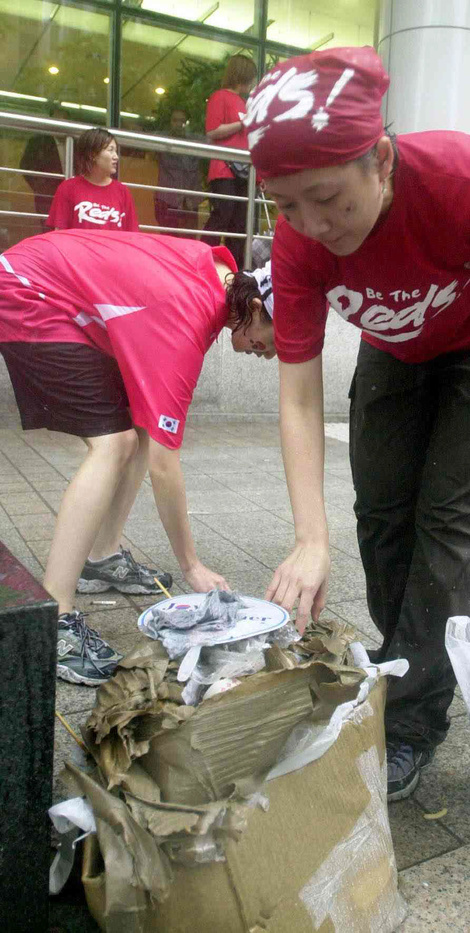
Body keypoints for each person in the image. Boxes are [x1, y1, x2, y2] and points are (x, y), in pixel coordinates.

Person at [240, 47, 470, 801]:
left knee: (449, 530)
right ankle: (410, 658)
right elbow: (299, 394)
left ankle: (409, 721)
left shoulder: (466, 182)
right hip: (396, 348)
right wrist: (310, 539)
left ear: (379, 159)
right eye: (286, 205)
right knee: (381, 519)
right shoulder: (300, 241)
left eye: (328, 198)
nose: (313, 225)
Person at [0, 230, 275, 686]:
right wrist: (191, 565)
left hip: (47, 280)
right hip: (29, 291)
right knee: (114, 444)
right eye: (268, 342)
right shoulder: (190, 315)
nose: (264, 356)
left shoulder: (217, 271)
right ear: (254, 308)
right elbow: (166, 467)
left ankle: (102, 557)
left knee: (140, 432)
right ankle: (54, 619)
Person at [202, 54, 258, 267]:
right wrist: (241, 124)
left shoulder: (243, 102)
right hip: (224, 168)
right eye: (251, 78)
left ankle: (234, 267)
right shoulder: (220, 97)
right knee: (222, 214)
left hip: (244, 170)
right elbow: (212, 130)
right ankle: (206, 258)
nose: (252, 83)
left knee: (240, 222)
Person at [47, 128, 139, 232]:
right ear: (92, 154)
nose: (116, 157)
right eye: (110, 150)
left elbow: (132, 236)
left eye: (116, 151)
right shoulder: (68, 188)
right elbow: (59, 233)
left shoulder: (123, 192)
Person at [154, 109, 204, 236]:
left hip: (190, 200)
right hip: (167, 198)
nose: (179, 124)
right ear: (170, 122)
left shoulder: (195, 141)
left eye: (183, 121)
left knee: (189, 240)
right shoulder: (162, 139)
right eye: (175, 120)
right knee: (168, 239)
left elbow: (212, 141)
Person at [19, 106, 70, 232]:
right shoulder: (38, 142)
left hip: (71, 196)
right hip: (47, 196)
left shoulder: (73, 143)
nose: (61, 123)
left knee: (69, 231)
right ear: (51, 120)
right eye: (58, 119)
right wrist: (40, 187)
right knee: (48, 230)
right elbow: (26, 166)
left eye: (64, 120)